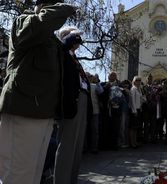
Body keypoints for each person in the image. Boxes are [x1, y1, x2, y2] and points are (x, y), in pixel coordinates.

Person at [0, 1, 77, 183]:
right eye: (51, 4)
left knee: (33, 175)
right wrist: (64, 8)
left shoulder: (49, 37)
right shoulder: (24, 21)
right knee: (18, 175)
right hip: (24, 111)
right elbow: (41, 23)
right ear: (41, 6)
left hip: (43, 114)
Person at [53, 26, 92, 184]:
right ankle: (62, 180)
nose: (78, 40)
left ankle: (71, 180)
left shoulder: (74, 58)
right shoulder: (62, 53)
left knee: (76, 146)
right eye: (75, 37)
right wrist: (70, 36)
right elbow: (62, 45)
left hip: (81, 100)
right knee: (67, 145)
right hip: (71, 102)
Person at [130, 76, 145, 148]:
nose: (138, 82)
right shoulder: (133, 89)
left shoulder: (139, 89)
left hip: (139, 109)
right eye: (137, 80)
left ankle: (135, 141)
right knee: (133, 127)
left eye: (139, 80)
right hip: (134, 110)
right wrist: (134, 111)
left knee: (136, 127)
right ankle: (132, 143)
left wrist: (143, 99)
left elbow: (140, 99)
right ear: (134, 81)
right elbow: (132, 101)